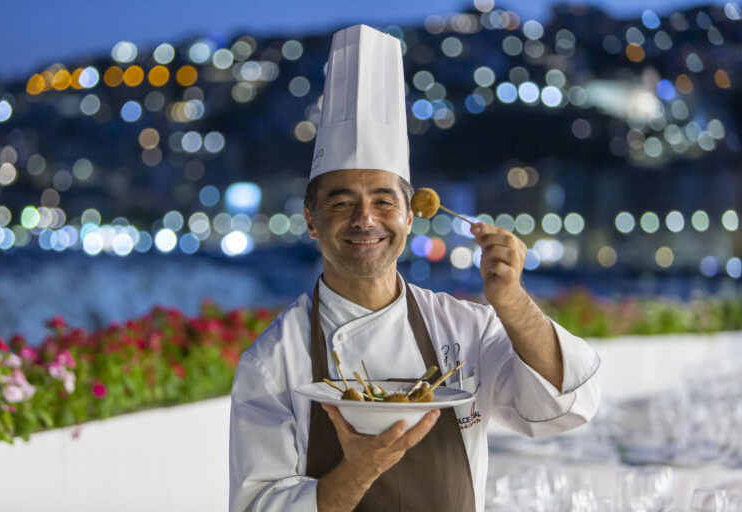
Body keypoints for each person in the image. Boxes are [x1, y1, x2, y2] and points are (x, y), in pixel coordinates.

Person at [229, 24, 601, 512]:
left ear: (410, 216)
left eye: (384, 200)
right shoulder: (274, 362)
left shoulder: (467, 328)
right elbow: (256, 506)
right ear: (311, 221)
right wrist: (357, 472)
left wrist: (511, 301)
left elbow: (562, 409)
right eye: (342, 203)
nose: (366, 219)